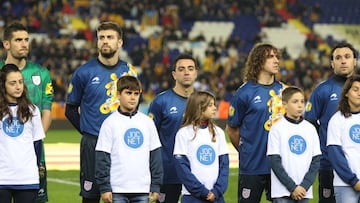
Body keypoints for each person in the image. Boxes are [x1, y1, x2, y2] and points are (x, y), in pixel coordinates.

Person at [65, 21, 138, 203]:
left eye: (110, 37)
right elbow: (70, 109)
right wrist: (88, 132)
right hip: (93, 143)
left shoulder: (129, 71)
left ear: (119, 42)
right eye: (101, 38)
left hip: (122, 143)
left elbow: (133, 107)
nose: (105, 41)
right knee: (91, 197)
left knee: (122, 195)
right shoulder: (84, 72)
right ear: (97, 42)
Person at [226, 43, 287, 202]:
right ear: (259, 61)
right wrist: (247, 151)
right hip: (252, 166)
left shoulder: (285, 92)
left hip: (280, 167)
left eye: (276, 56)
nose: (276, 60)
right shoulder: (244, 92)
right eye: (270, 56)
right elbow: (232, 129)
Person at [0, 22, 53, 203]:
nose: (24, 44)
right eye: (18, 40)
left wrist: (31, 141)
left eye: (26, 40)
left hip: (31, 154)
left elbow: (47, 110)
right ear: (7, 44)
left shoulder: (42, 73)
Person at [94, 76, 163, 203]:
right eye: (128, 93)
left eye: (136, 94)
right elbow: (102, 157)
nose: (133, 97)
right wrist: (104, 188)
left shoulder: (147, 122)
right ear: (118, 95)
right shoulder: (109, 123)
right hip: (116, 189)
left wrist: (156, 185)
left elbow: (155, 156)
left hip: (142, 189)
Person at [304, 42, 357, 203]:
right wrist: (326, 139)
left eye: (347, 57)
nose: (343, 61)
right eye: (338, 58)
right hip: (328, 163)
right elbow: (309, 123)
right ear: (332, 63)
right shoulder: (322, 90)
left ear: (355, 61)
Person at [148, 54, 198, 203]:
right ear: (174, 75)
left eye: (190, 69)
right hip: (168, 173)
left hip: (197, 173)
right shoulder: (161, 101)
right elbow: (150, 137)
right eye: (181, 69)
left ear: (196, 73)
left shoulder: (204, 101)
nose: (186, 72)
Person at [0, 64, 46, 203]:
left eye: (20, 82)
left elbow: (37, 143)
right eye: (13, 83)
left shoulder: (33, 110)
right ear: (3, 85)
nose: (18, 86)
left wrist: (36, 169)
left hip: (26, 178)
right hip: (2, 177)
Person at [267, 86, 321, 203]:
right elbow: (274, 161)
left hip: (303, 191)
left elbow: (316, 160)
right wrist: (292, 187)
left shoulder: (310, 129)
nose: (300, 105)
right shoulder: (277, 129)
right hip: (282, 191)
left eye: (302, 101)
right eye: (295, 102)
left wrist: (304, 186)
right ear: (285, 104)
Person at [173, 91, 229, 203]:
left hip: (216, 197)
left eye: (214, 104)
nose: (214, 108)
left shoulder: (218, 133)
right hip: (192, 197)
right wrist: (202, 192)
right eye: (210, 105)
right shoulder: (184, 133)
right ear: (199, 107)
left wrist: (217, 191)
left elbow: (224, 165)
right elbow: (182, 167)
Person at [327, 75, 360, 203]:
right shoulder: (337, 119)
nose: (359, 93)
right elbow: (335, 154)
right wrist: (353, 181)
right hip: (345, 185)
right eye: (355, 89)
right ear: (346, 93)